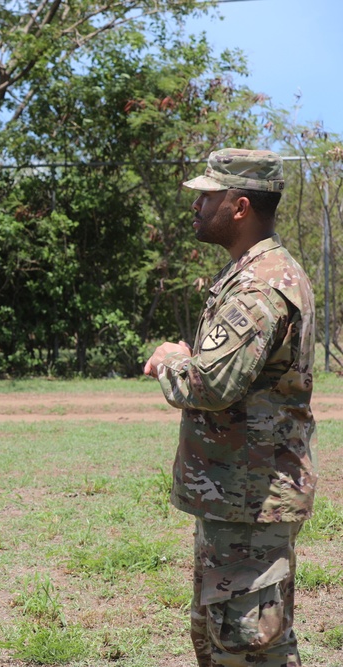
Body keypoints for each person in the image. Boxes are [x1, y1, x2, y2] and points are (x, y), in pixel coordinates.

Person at [144, 149, 317, 667]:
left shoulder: (259, 285)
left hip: (250, 497)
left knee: (250, 648)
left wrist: (174, 360)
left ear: (239, 206)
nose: (196, 206)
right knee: (228, 642)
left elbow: (210, 384)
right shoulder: (256, 273)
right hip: (238, 494)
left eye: (207, 196)